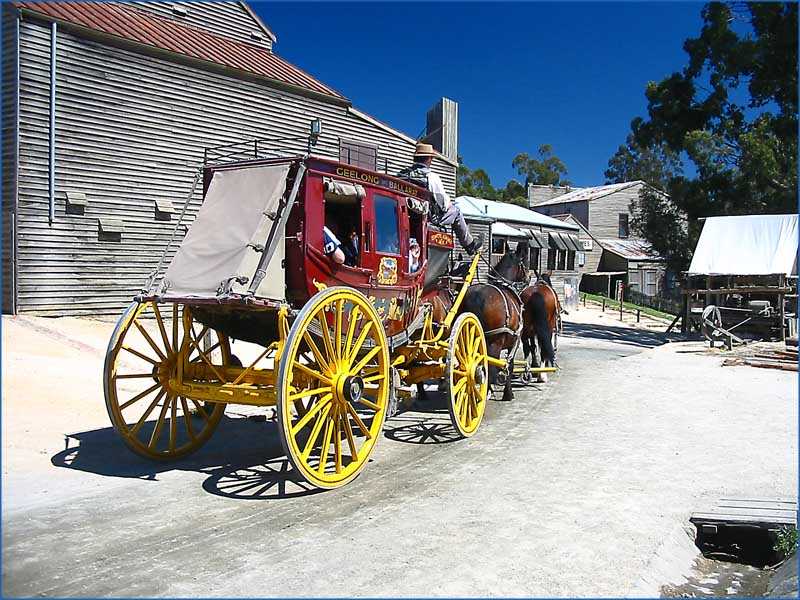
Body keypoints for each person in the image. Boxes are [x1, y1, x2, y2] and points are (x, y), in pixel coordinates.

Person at [397, 142, 483, 255]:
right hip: (427, 218)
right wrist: (449, 205)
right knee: (456, 211)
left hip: (404, 216)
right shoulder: (431, 177)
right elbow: (443, 205)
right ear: (429, 158)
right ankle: (470, 245)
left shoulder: (402, 175)